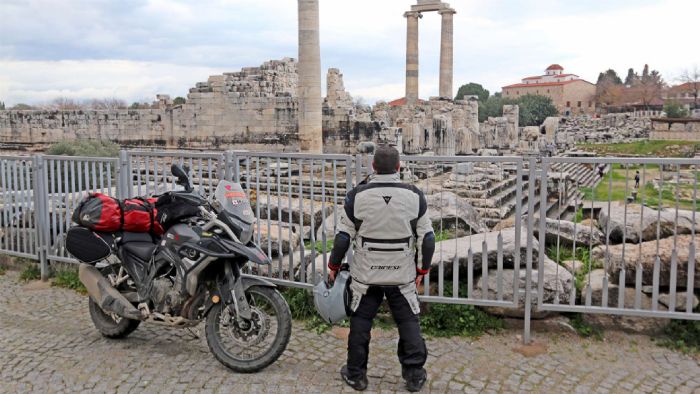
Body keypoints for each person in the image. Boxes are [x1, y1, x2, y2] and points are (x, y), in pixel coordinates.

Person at [327, 145, 435, 392]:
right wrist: (422, 271)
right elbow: (428, 239)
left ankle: (356, 375)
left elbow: (343, 237)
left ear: (373, 167)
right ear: (399, 167)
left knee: (361, 320)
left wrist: (334, 266)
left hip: (367, 272)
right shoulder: (414, 195)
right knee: (408, 320)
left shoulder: (357, 196)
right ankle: (414, 375)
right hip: (402, 272)